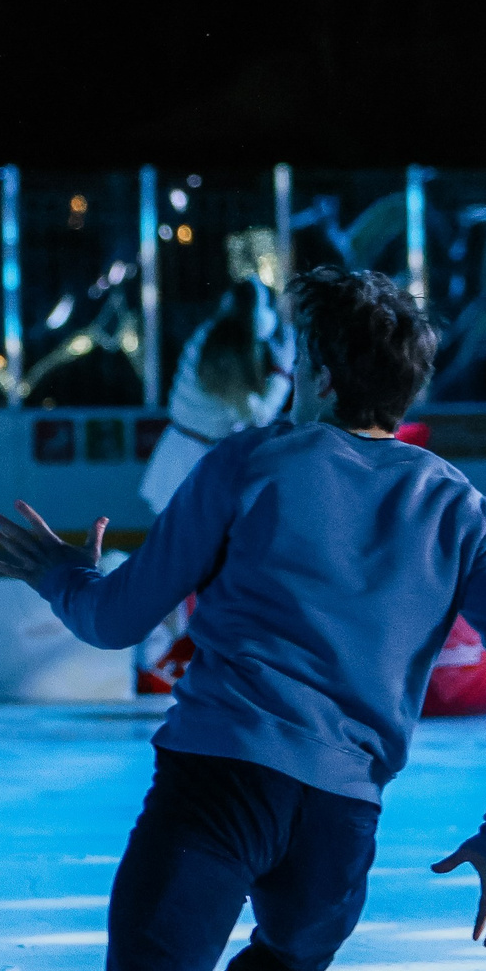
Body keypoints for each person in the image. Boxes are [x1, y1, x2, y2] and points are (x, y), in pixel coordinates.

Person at [0, 266, 486, 971]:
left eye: (301, 357)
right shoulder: (459, 506)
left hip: (219, 785)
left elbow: (118, 619)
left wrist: (63, 576)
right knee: (286, 952)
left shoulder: (252, 462)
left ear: (327, 376)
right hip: (340, 822)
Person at [132, 279, 295, 690]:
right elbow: (258, 417)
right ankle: (169, 655)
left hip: (194, 458)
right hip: (191, 463)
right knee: (181, 565)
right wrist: (282, 373)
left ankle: (183, 652)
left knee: (194, 563)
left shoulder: (217, 339)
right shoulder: (221, 352)